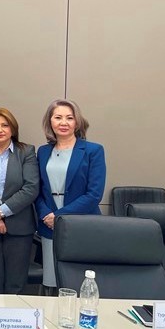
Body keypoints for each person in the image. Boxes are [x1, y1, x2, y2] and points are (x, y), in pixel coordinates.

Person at [35, 99, 106, 293]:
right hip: (49, 226)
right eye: (58, 117)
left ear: (77, 122)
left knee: (80, 283)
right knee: (51, 281)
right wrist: (46, 215)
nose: (63, 123)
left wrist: (59, 216)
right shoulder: (43, 151)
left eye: (69, 118)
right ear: (50, 122)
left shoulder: (93, 150)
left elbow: (94, 194)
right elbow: (37, 190)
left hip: (82, 225)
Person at [0, 108, 40, 294]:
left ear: (13, 128)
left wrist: (1, 212)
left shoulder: (26, 151)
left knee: (15, 285)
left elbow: (31, 187)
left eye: (5, 125)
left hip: (19, 227)